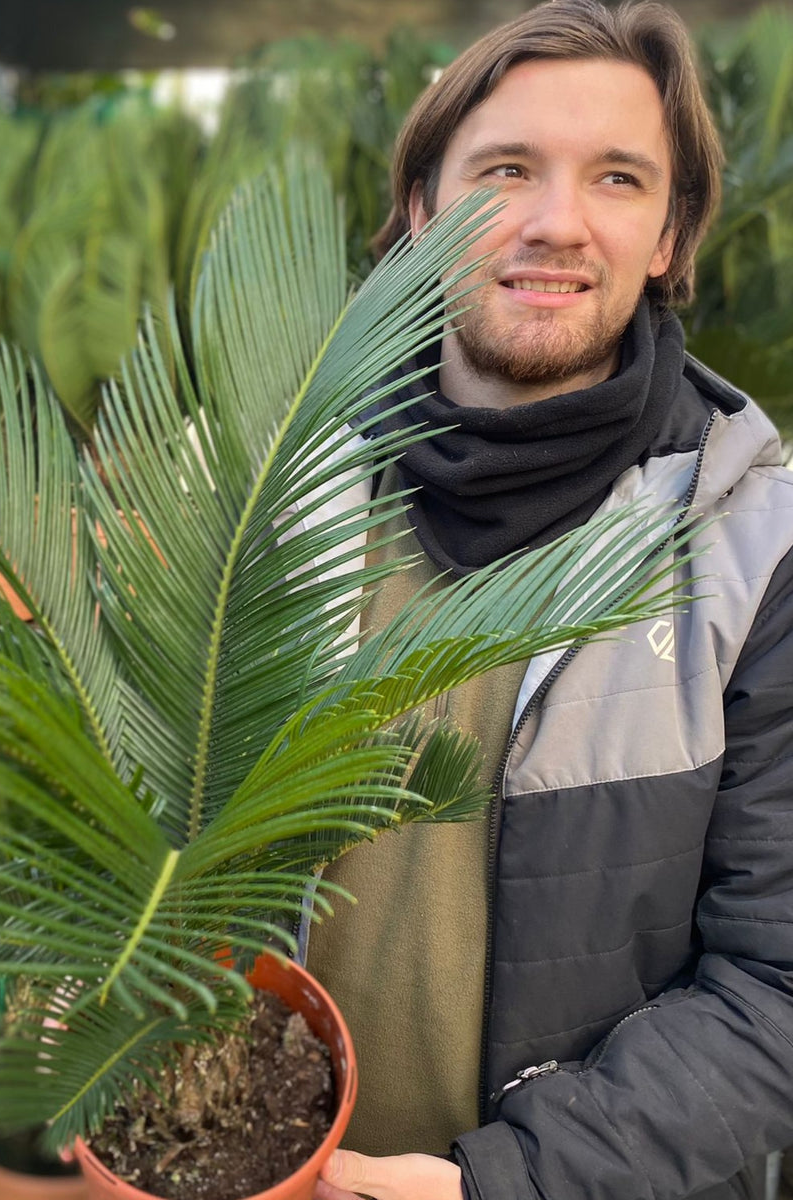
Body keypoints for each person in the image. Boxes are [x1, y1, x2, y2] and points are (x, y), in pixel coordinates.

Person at [302, 2, 793, 1198]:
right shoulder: (276, 500)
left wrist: (497, 1187)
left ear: (672, 235)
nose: (554, 222)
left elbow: (777, 985)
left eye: (618, 178)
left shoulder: (756, 548)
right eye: (504, 169)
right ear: (422, 210)